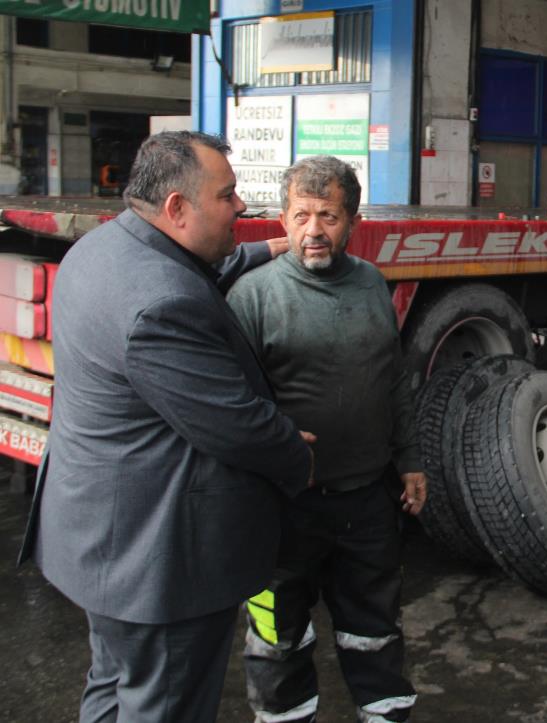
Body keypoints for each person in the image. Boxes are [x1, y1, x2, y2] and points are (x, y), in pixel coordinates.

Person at [17, 131, 315, 722]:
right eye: (228, 196)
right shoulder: (160, 303)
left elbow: (202, 269)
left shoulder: (104, 249)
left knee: (112, 683)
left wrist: (269, 250)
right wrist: (295, 453)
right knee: (166, 704)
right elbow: (233, 424)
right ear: (177, 208)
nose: (241, 208)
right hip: (158, 560)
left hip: (100, 545)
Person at [227, 155, 426, 723]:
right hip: (283, 511)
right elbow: (232, 407)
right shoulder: (252, 296)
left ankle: (384, 713)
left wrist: (409, 459)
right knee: (277, 638)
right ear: (283, 220)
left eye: (329, 217)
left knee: (376, 632)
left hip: (366, 503)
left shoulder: (370, 284)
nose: (313, 231)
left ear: (353, 220)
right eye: (301, 216)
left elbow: (394, 380)